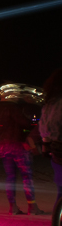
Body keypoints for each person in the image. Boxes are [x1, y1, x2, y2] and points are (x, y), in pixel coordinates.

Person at [0, 89, 44, 215]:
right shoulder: (12, 107)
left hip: (4, 145)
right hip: (18, 145)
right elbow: (24, 123)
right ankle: (32, 207)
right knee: (27, 176)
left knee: (10, 177)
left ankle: (13, 207)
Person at [40, 68, 62, 205]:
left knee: (60, 190)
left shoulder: (49, 104)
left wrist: (45, 146)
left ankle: (58, 222)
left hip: (57, 150)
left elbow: (44, 128)